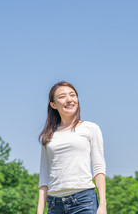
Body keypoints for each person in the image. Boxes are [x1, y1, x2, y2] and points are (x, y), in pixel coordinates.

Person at [37, 81, 107, 214]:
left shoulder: (90, 128)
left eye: (72, 95)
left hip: (84, 201)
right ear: (53, 105)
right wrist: (39, 211)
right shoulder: (48, 136)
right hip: (54, 204)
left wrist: (102, 204)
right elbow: (44, 176)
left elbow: (99, 167)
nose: (69, 99)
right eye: (62, 97)